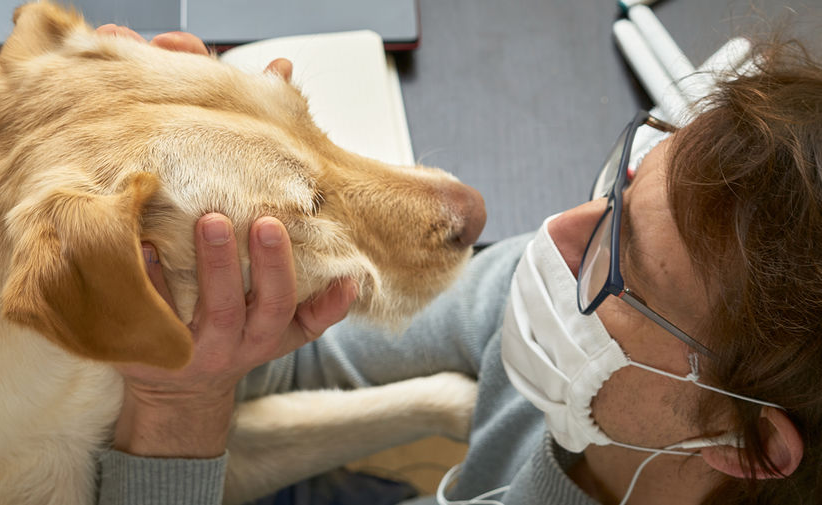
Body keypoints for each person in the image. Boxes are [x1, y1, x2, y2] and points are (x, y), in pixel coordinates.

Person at [96, 26, 822, 505]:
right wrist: (208, 274)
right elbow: (304, 362)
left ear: (747, 443)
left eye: (624, 269)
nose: (559, 233)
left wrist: (177, 412)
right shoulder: (579, 322)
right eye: (621, 189)